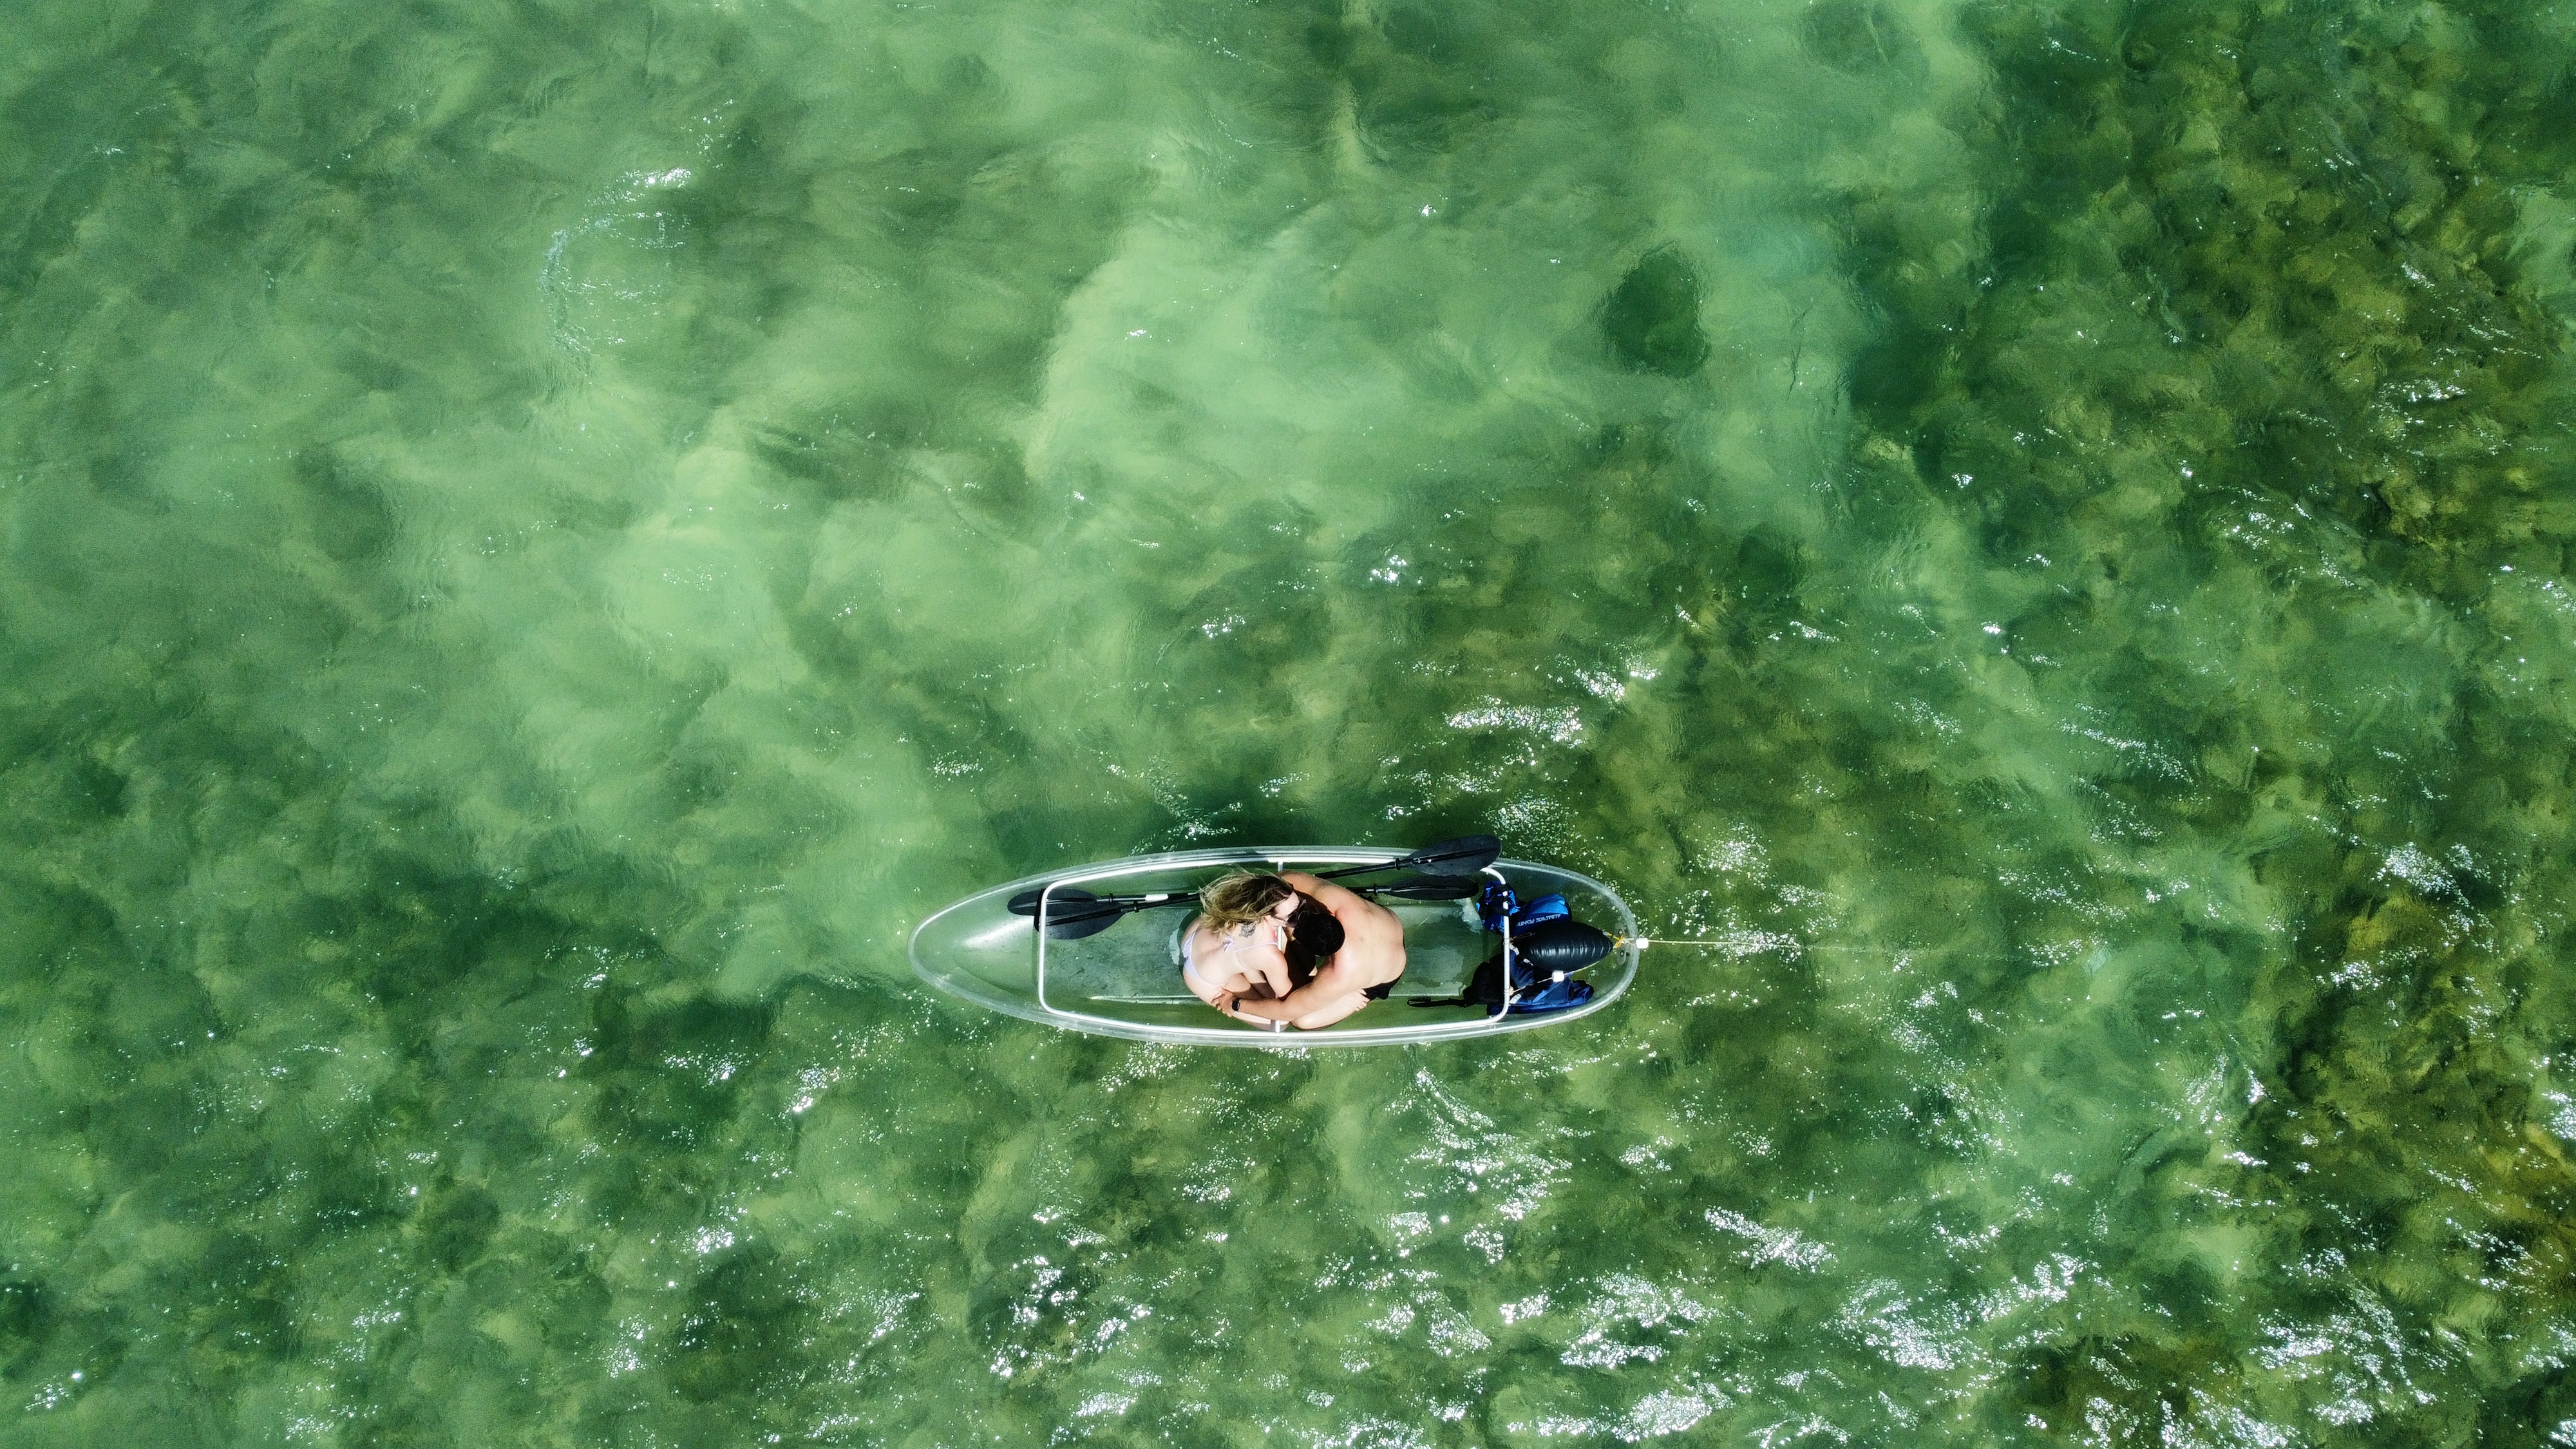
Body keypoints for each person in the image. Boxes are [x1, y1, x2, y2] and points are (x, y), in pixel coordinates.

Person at [1179, 870, 1406, 1030]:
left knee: (1302, 1021)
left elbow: (1288, 1010)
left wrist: (1234, 1004)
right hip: (1388, 924)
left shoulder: (1339, 973)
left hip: (1383, 971)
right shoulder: (1273, 956)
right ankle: (1252, 966)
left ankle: (1347, 1000)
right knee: (1288, 1003)